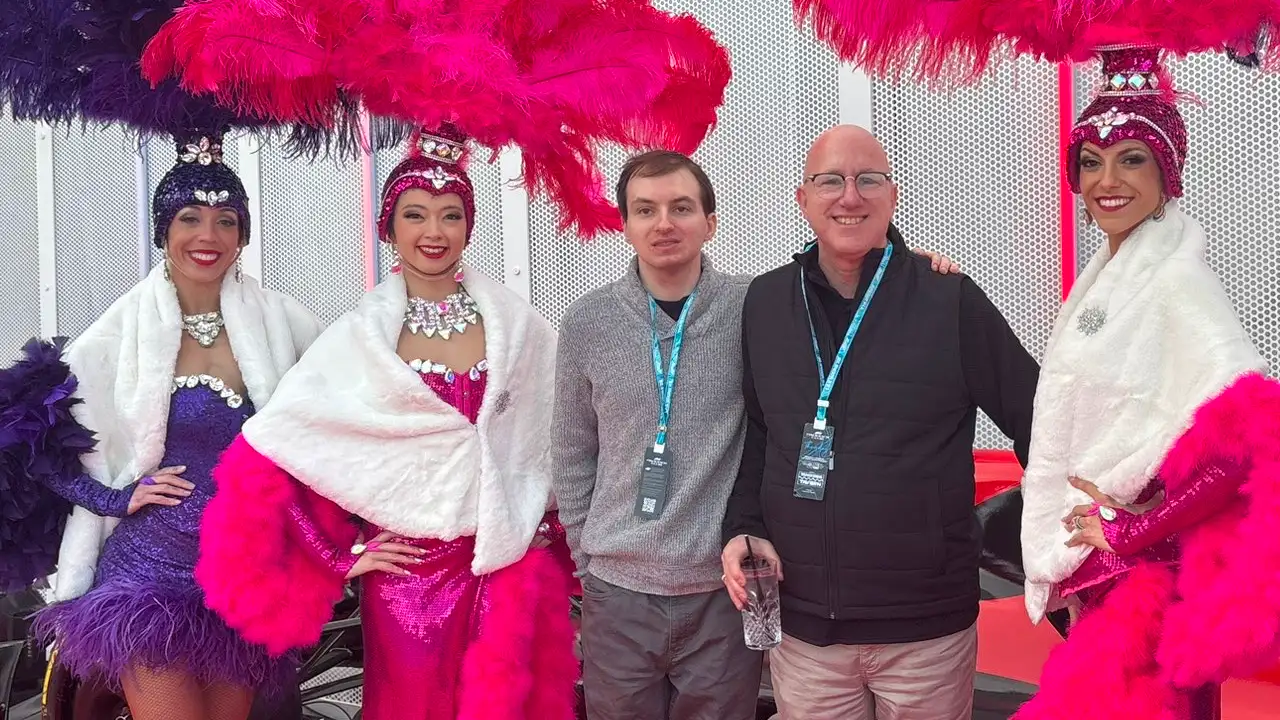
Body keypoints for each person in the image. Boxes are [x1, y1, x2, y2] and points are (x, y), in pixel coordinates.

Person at [145, 5, 738, 719]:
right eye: (416, 214)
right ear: (388, 226)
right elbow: (283, 446)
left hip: (513, 574)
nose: (434, 231)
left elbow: (579, 435)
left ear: (469, 224)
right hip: (410, 583)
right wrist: (344, 559)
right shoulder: (356, 338)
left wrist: (559, 536)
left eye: (450, 213)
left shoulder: (523, 326)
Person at [0, 5, 328, 719]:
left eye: (225, 221)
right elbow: (32, 447)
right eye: (189, 219)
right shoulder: (116, 337)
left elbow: (334, 436)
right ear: (163, 231)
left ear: (242, 234)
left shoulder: (288, 327)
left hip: (242, 579)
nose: (207, 236)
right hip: (147, 580)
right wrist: (120, 498)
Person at [554, 149, 963, 720]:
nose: (664, 223)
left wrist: (909, 269)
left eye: (681, 207)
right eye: (645, 210)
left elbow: (845, 287)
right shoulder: (586, 322)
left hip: (726, 590)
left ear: (711, 222)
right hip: (618, 590)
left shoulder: (759, 305)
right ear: (624, 224)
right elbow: (573, 454)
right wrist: (588, 564)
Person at [720, 125, 1039, 719]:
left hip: (925, 631)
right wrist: (742, 526)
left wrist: (1059, 545)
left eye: (868, 179)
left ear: (892, 197)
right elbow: (760, 435)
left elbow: (1040, 424)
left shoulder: (949, 300)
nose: (850, 196)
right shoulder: (764, 304)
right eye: (830, 181)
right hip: (805, 630)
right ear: (803, 198)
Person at [1011, 46, 1280, 720]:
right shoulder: (1115, 271)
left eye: (1131, 158)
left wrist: (1131, 528)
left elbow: (1245, 439)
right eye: (1091, 162)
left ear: (1168, 171)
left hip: (1147, 593)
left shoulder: (1176, 281)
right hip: (1115, 587)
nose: (1108, 180)